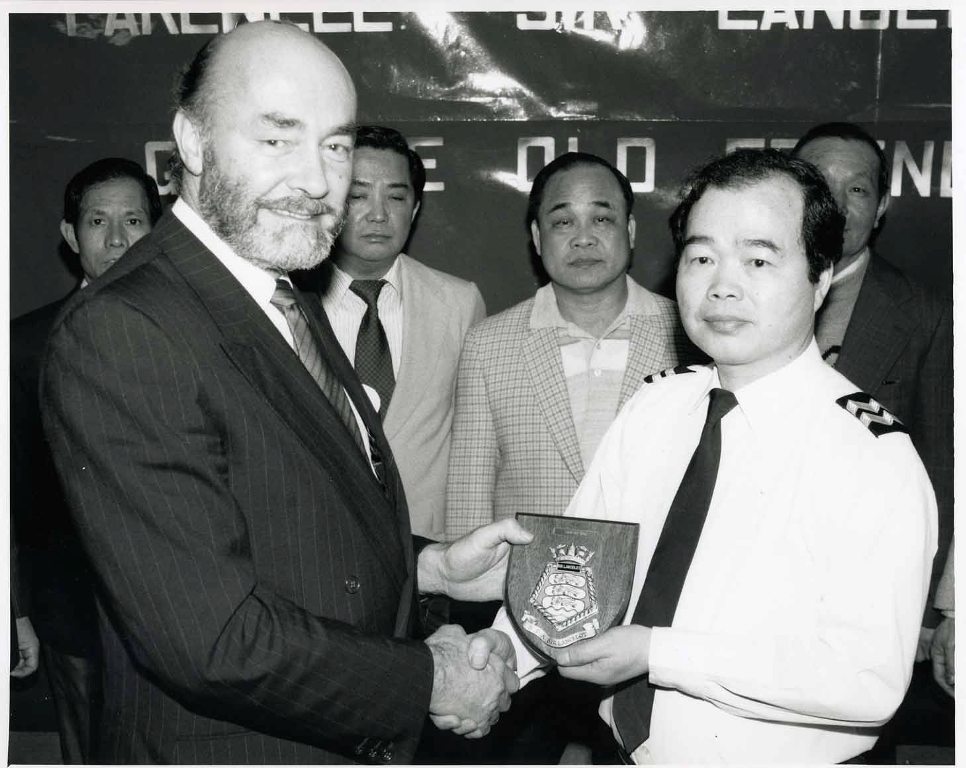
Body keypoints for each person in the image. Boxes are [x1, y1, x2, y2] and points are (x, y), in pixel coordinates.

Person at [40, 21, 525, 764]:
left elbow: (296, 520)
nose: (315, 179)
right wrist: (429, 679)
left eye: (334, 146)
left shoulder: (282, 292)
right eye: (277, 139)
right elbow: (212, 637)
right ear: (191, 143)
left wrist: (426, 565)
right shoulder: (126, 329)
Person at [486, 148, 937, 763]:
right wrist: (501, 653)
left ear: (821, 275)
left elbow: (866, 679)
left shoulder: (870, 456)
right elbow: (578, 563)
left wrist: (658, 653)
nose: (723, 285)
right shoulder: (654, 407)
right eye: (702, 256)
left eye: (757, 258)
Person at [443, 151, 696, 763]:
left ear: (631, 233)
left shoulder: (690, 335)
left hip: (654, 626)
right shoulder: (490, 344)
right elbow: (468, 505)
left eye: (602, 218)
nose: (583, 236)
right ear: (536, 237)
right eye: (562, 220)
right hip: (523, 624)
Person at [793, 122, 954, 759]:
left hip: (860, 597)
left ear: (882, 206)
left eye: (855, 189)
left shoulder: (923, 312)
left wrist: (934, 609)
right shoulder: (723, 290)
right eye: (816, 186)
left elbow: (943, 462)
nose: (834, 205)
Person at [11, 157, 162, 762]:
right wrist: (15, 609)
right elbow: (12, 490)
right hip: (69, 603)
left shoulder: (203, 337)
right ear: (72, 235)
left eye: (134, 220)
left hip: (176, 604)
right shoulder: (24, 344)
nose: (118, 238)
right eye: (99, 221)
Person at [315, 125, 485, 541]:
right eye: (357, 196)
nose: (378, 214)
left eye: (395, 196)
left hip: (428, 554)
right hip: (319, 543)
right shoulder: (290, 305)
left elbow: (477, 443)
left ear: (415, 207)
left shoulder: (460, 303)